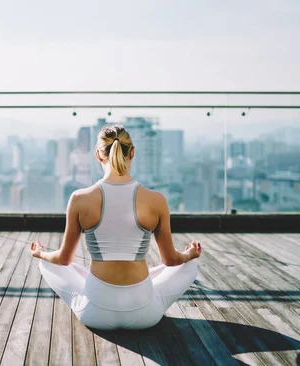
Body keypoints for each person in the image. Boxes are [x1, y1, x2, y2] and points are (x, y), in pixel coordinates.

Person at [30, 124, 201, 330]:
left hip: (95, 313)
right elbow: (171, 260)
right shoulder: (156, 200)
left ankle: (83, 291)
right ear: (133, 152)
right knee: (188, 266)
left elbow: (63, 259)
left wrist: (41, 253)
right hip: (144, 314)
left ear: (98, 155)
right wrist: (189, 255)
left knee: (48, 263)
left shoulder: (79, 199)